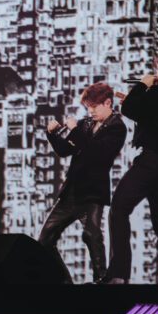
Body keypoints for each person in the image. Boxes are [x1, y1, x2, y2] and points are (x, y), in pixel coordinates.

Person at [39, 82, 126, 283]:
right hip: (72, 190)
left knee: (92, 236)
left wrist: (76, 130)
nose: (91, 111)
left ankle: (101, 280)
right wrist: (51, 135)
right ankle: (64, 282)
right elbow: (65, 149)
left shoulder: (116, 127)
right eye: (88, 107)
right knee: (45, 240)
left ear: (107, 103)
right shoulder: (85, 124)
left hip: (92, 192)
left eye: (94, 106)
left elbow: (98, 154)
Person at [104, 51, 158, 284]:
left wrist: (143, 85)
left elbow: (129, 110)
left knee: (119, 208)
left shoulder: (157, 91)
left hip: (151, 162)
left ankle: (119, 274)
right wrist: (139, 101)